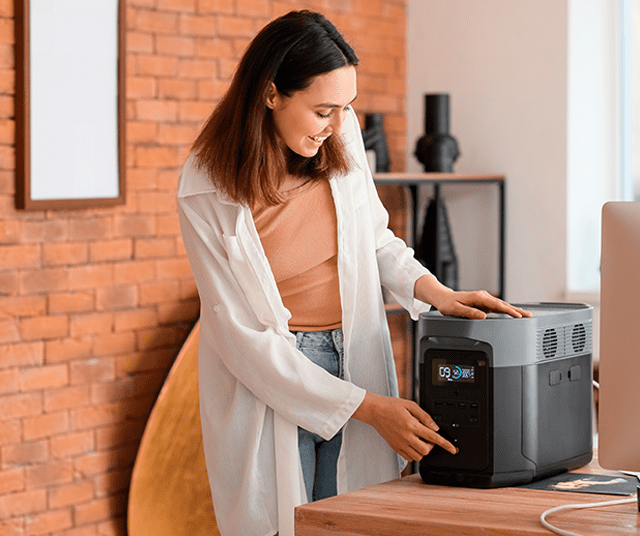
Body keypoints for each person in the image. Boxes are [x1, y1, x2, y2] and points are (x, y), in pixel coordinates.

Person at [174, 11, 528, 536]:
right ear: (271, 94)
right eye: (323, 110)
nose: (338, 124)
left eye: (346, 108)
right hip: (275, 375)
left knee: (354, 521)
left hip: (351, 351)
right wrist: (367, 408)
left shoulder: (342, 133)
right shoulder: (206, 186)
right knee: (282, 524)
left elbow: (373, 237)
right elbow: (240, 337)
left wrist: (436, 292)